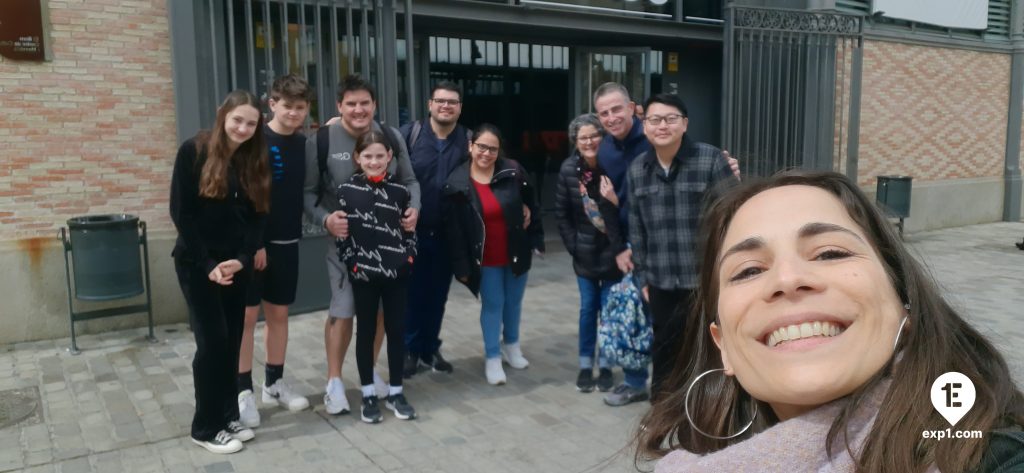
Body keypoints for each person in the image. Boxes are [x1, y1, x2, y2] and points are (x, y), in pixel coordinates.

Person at [636, 170, 1024, 473]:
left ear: (904, 303)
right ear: (723, 346)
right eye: (749, 270)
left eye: (830, 254)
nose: (787, 280)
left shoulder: (992, 454)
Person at [607, 93, 739, 407]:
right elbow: (637, 230)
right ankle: (662, 414)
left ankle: (711, 413)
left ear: (684, 124)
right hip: (661, 281)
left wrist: (729, 274)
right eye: (654, 119)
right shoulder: (638, 169)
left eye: (670, 118)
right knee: (665, 351)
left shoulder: (709, 160)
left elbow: (734, 217)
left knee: (710, 349)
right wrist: (643, 281)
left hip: (705, 280)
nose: (662, 125)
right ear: (645, 125)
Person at [303, 75, 420, 415]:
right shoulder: (322, 140)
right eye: (350, 104)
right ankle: (334, 382)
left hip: (387, 246)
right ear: (339, 107)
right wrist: (325, 219)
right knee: (344, 309)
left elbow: (410, 181)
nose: (358, 110)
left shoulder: (391, 136)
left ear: (374, 105)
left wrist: (414, 209)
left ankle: (368, 377)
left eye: (364, 103)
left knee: (382, 312)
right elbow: (308, 194)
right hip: (345, 246)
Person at [169, 90, 268, 454]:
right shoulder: (193, 151)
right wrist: (209, 265)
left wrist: (242, 258)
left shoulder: (255, 159)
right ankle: (205, 426)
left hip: (236, 265)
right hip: (198, 265)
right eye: (237, 119)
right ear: (222, 115)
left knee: (231, 343)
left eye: (250, 122)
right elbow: (182, 213)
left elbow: (259, 217)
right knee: (211, 344)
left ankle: (228, 415)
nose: (242, 128)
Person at [236, 74, 312, 429]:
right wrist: (254, 244)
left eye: (300, 107)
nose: (293, 113)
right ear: (272, 104)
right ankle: (242, 392)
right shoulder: (253, 139)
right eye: (287, 106)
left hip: (287, 243)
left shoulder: (303, 143)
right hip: (252, 248)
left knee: (279, 316)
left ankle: (273, 384)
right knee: (247, 319)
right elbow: (242, 199)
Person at [444, 123, 542, 385]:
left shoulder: (513, 171)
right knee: (493, 304)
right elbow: (455, 232)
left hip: (515, 252)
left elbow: (531, 204)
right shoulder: (457, 183)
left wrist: (536, 238)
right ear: (470, 146)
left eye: (493, 149)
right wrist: (461, 266)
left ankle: (512, 345)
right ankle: (492, 356)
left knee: (514, 302)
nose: (486, 153)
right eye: (482, 147)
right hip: (484, 258)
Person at [336, 131, 419, 423]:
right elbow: (342, 237)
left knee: (396, 330)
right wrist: (353, 265)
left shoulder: (400, 191)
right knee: (366, 332)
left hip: (396, 273)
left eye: (379, 156)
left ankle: (396, 390)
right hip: (364, 275)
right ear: (358, 158)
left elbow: (410, 231)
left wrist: (408, 259)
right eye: (367, 156)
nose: (374, 161)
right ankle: (368, 392)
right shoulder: (346, 190)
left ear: (389, 158)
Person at [399, 81, 471, 378]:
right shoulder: (409, 135)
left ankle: (430, 347)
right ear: (430, 104)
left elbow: (491, 168)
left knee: (438, 295)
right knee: (412, 295)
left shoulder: (468, 139)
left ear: (459, 107)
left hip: (448, 234)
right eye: (440, 101)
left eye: (452, 102)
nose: (445, 106)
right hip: (412, 232)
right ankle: (409, 349)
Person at [554, 113, 624, 393]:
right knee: (587, 310)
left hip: (614, 253)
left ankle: (606, 365)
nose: (589, 141)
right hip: (584, 254)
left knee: (609, 313)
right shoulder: (569, 169)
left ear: (603, 137)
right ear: (576, 141)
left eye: (594, 135)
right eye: (583, 137)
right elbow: (562, 214)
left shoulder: (615, 167)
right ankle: (586, 365)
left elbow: (627, 208)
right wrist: (573, 245)